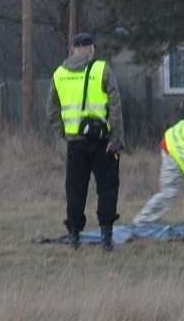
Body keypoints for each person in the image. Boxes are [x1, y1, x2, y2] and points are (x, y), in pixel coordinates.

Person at [46, 32, 125, 252]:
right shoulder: (102, 69)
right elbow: (116, 106)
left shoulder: (59, 74)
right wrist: (117, 139)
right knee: (108, 188)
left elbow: (51, 110)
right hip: (103, 142)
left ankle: (74, 239)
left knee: (75, 189)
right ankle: (106, 239)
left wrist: (64, 133)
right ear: (92, 49)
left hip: (75, 143)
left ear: (72, 49)